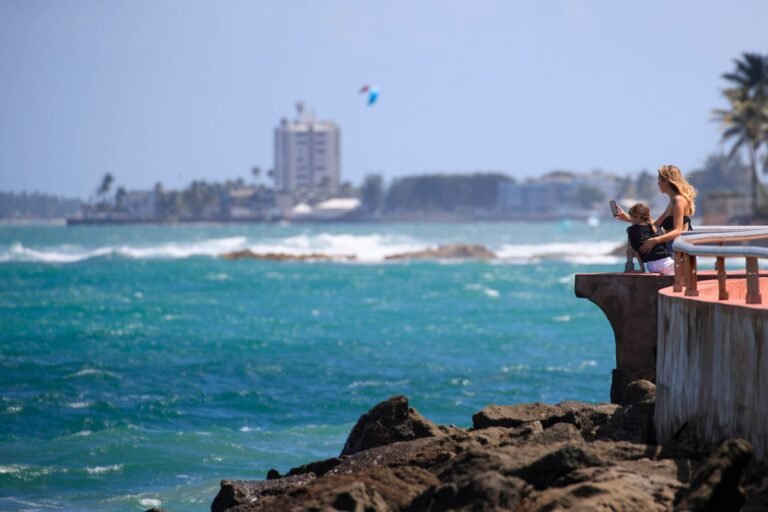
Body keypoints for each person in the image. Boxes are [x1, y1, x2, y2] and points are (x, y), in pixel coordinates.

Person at [614, 164, 697, 255]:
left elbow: (678, 231)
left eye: (659, 180)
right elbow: (655, 224)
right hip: (672, 247)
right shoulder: (673, 201)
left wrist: (655, 240)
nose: (658, 184)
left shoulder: (678, 200)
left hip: (677, 249)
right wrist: (627, 218)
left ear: (666, 181)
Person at [625, 203, 674, 274]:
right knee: (685, 270)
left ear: (638, 217)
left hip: (651, 265)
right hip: (664, 263)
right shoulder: (654, 226)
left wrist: (642, 269)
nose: (630, 219)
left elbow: (636, 252)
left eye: (631, 217)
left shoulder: (632, 230)